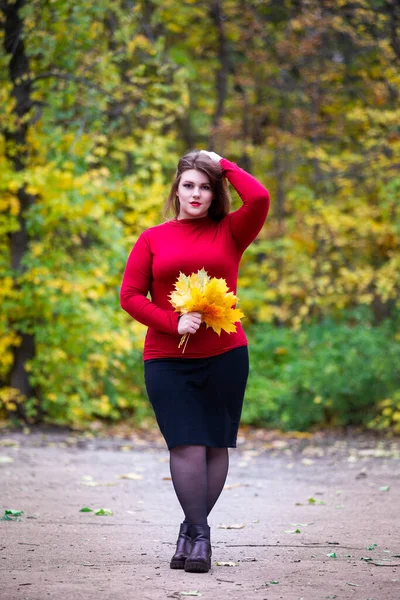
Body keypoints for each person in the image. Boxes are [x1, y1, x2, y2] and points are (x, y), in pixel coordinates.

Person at [120, 149, 270, 573]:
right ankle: (201, 537)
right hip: (167, 358)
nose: (196, 194)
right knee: (185, 441)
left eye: (205, 187)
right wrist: (171, 321)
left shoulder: (231, 231)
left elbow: (258, 199)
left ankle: (191, 532)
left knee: (215, 444)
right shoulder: (153, 237)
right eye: (189, 185)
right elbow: (129, 296)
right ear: (177, 189)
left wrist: (221, 163)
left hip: (225, 355)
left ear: (215, 192)